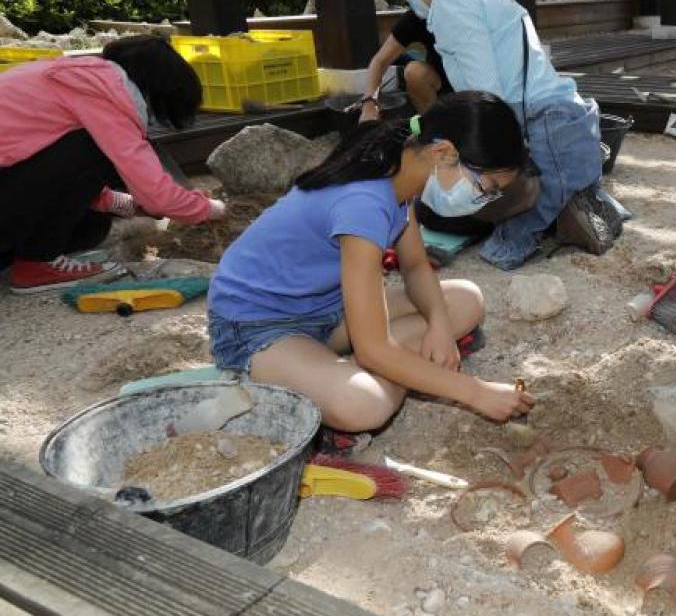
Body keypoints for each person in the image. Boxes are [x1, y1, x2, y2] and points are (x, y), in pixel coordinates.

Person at [207, 91, 535, 432]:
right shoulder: (364, 203)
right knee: (364, 405)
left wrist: (438, 322)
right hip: (256, 325)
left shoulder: (396, 173)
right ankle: (350, 375)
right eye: (487, 186)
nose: (483, 199)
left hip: (325, 312)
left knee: (465, 300)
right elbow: (372, 350)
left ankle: (344, 371)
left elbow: (415, 267)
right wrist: (475, 393)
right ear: (443, 152)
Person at [378, 0, 622, 269]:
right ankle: (567, 207)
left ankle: (549, 213)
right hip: (564, 121)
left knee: (446, 213)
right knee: (452, 200)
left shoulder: (451, 0)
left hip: (541, 125)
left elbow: (488, 99)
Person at [0, 35, 226, 294]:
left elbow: (59, 181)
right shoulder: (105, 94)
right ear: (154, 93)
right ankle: (36, 264)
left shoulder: (82, 79)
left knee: (92, 227)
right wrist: (213, 209)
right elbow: (157, 197)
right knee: (94, 148)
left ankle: (25, 257)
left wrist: (126, 204)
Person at [359, 9, 450, 118]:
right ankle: (432, 125)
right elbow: (379, 62)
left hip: (471, 85)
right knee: (414, 72)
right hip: (441, 84)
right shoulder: (417, 16)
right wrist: (369, 104)